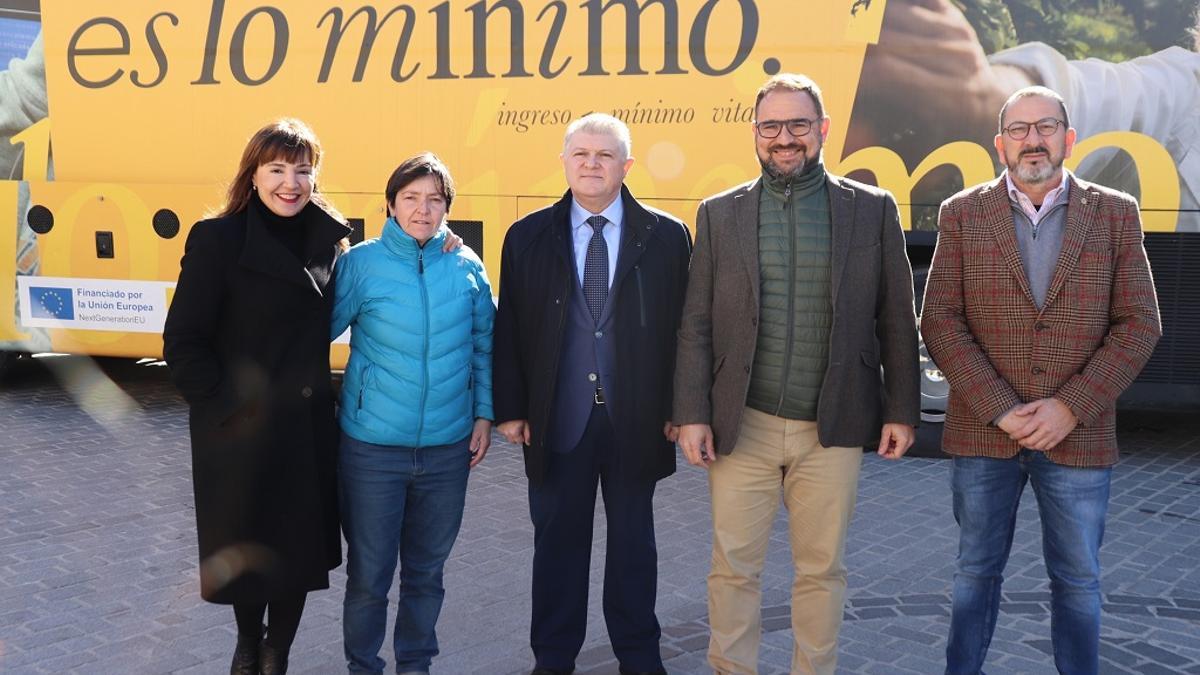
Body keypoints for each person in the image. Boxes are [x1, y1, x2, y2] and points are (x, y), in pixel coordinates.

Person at [672, 73, 920, 675]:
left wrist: (901, 411)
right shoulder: (719, 214)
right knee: (733, 569)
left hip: (831, 427)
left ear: (823, 129)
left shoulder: (872, 210)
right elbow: (696, 322)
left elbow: (895, 316)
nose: (785, 139)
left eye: (798, 125)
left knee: (822, 569)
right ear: (755, 134)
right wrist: (691, 415)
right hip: (743, 424)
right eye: (771, 127)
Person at [921, 86, 1161, 674]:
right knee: (975, 574)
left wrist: (1070, 407)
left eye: (1047, 126)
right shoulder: (960, 213)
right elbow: (940, 322)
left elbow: (1139, 323)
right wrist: (1001, 408)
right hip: (983, 435)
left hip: (1077, 435)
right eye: (1020, 128)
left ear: (1069, 138)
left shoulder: (1116, 212)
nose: (1034, 139)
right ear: (999, 144)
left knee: (1078, 581)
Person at [492, 113, 692, 675]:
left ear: (626, 166)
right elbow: (512, 328)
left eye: (605, 155)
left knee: (634, 550)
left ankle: (639, 657)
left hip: (638, 421)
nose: (592, 164)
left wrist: (683, 410)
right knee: (557, 550)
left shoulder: (666, 236)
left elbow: (685, 330)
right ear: (564, 161)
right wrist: (510, 409)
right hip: (558, 421)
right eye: (580, 154)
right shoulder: (527, 235)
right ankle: (553, 659)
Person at [163, 119, 351, 675]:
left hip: (305, 427)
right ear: (253, 174)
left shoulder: (330, 241)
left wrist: (444, 242)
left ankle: (277, 653)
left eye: (302, 170)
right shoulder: (218, 239)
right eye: (276, 169)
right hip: (239, 429)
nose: (290, 183)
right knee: (248, 549)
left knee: (296, 550)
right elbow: (183, 341)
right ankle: (248, 644)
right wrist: (225, 408)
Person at [331, 152, 494, 675]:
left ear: (447, 207)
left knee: (427, 573)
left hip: (448, 450)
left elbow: (485, 346)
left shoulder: (466, 264)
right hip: (372, 450)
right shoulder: (360, 263)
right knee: (370, 576)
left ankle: (415, 665)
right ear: (391, 203)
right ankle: (363, 666)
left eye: (435, 199)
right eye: (411, 198)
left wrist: (484, 415)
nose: (423, 209)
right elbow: (308, 334)